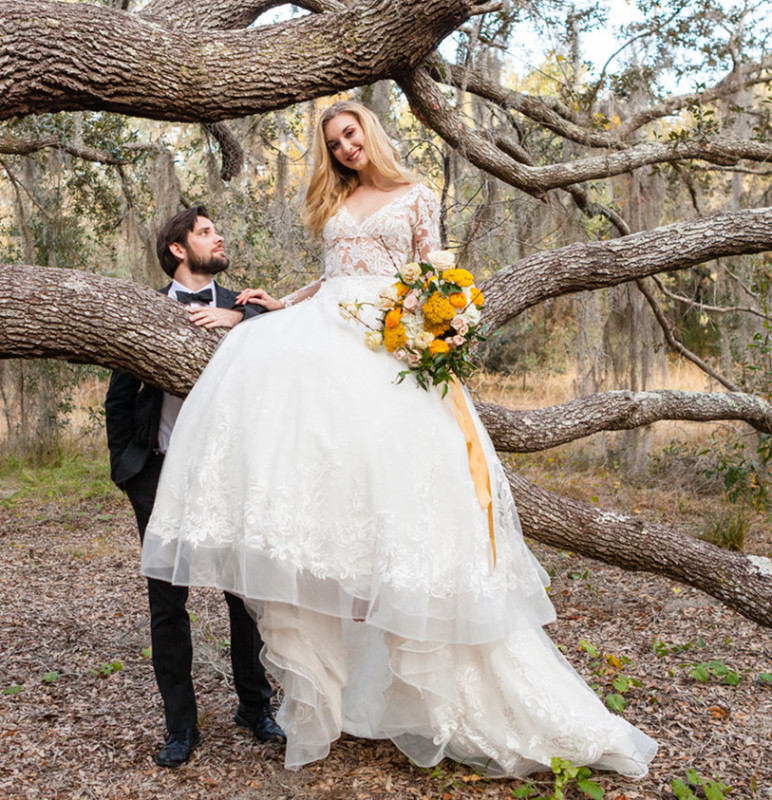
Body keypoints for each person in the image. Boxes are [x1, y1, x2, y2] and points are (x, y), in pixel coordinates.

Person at [140, 101, 657, 778]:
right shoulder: (335, 198)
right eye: (334, 142)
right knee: (324, 488)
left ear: (371, 133)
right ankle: (335, 684)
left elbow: (431, 277)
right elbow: (332, 280)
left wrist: (439, 331)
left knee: (411, 518)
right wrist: (271, 308)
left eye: (351, 134)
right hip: (325, 333)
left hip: (388, 349)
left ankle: (440, 690)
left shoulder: (415, 195)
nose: (346, 147)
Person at [105, 207, 285, 768]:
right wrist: (130, 473)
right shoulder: (146, 310)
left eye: (216, 230)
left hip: (231, 475)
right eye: (205, 232)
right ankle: (180, 728)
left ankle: (255, 710)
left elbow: (290, 364)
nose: (219, 236)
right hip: (161, 475)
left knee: (244, 597)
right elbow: (118, 399)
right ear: (178, 249)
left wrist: (241, 320)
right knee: (167, 603)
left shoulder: (252, 308)